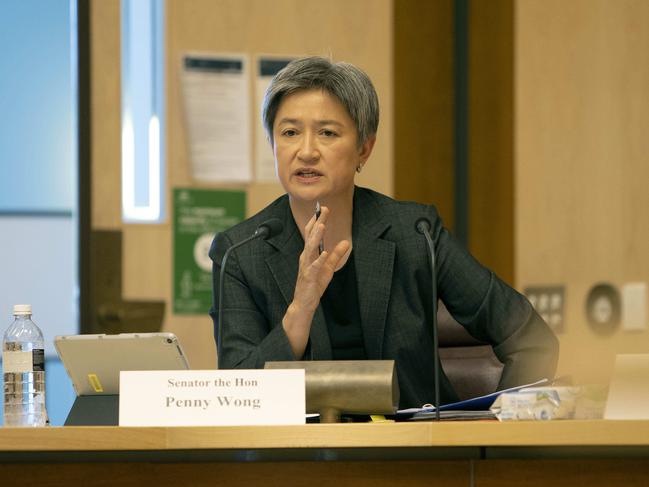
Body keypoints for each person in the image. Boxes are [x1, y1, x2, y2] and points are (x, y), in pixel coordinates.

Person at [209, 56, 558, 409]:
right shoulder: (239, 253)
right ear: (273, 143)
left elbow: (529, 338)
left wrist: (501, 426)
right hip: (299, 458)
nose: (307, 151)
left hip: (416, 453)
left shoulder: (415, 233)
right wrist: (300, 310)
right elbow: (238, 395)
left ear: (364, 148)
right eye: (289, 132)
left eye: (327, 133)